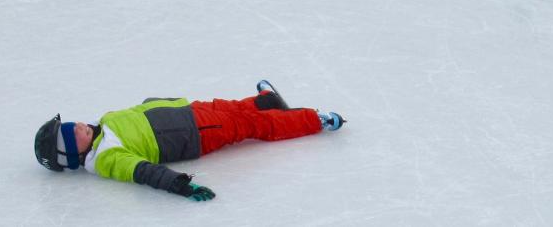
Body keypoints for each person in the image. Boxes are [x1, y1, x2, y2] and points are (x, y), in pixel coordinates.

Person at [34, 80, 345, 201]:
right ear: (72, 157)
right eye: (69, 136)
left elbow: (141, 108)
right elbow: (143, 171)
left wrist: (164, 101)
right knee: (253, 125)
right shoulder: (104, 158)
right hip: (193, 134)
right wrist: (180, 185)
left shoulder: (103, 123)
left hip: (188, 113)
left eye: (70, 125)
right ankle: (315, 120)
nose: (75, 127)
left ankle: (265, 99)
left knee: (234, 108)